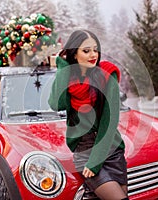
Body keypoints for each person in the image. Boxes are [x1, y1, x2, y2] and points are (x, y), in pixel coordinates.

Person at [48, 30, 128, 200]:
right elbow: (56, 103)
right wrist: (62, 65)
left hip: (111, 149)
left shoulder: (107, 74)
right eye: (86, 51)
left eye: (95, 49)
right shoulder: (69, 79)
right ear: (74, 54)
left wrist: (96, 161)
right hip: (84, 150)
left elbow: (109, 122)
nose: (93, 55)